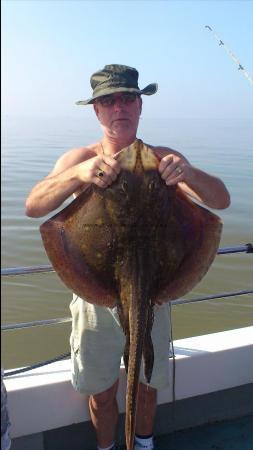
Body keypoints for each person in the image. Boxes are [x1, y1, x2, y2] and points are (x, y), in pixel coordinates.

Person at [25, 64, 230, 450]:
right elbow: (34, 206)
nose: (119, 107)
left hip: (154, 289)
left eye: (127, 98)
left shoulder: (164, 157)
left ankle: (144, 444)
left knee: (147, 383)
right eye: (108, 100)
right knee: (102, 393)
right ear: (96, 111)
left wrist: (189, 173)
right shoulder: (79, 159)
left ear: (139, 105)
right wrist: (79, 175)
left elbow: (220, 200)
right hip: (95, 293)